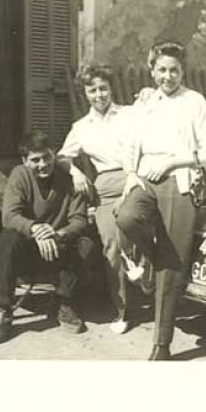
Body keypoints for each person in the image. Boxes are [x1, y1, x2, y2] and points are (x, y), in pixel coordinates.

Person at [115, 40, 206, 360]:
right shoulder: (145, 103)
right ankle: (148, 266)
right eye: (161, 69)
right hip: (146, 178)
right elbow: (130, 142)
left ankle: (161, 344)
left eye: (174, 70)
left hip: (180, 182)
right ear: (152, 70)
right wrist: (131, 174)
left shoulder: (196, 102)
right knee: (127, 218)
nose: (167, 76)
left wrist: (176, 162)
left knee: (172, 264)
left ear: (182, 70)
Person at [0, 130, 96, 346]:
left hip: (59, 251)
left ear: (54, 154)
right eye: (35, 160)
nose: (43, 164)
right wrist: (36, 229)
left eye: (47, 157)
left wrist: (58, 234)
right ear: (25, 161)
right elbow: (9, 216)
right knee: (6, 239)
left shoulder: (70, 178)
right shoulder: (19, 175)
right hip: (28, 252)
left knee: (86, 243)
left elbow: (79, 220)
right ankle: (3, 309)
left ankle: (65, 302)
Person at [57, 65, 138, 333]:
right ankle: (122, 310)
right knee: (111, 248)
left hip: (136, 179)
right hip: (105, 186)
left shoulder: (129, 114)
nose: (100, 95)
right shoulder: (81, 127)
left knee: (145, 238)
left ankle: (146, 282)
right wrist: (77, 172)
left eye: (104, 88)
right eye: (93, 90)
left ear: (111, 88)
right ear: (85, 93)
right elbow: (61, 157)